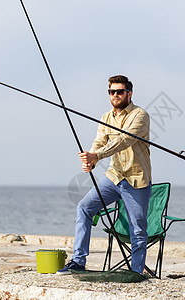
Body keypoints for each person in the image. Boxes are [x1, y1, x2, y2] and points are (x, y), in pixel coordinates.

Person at [57, 75, 152, 275]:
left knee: (138, 229)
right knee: (84, 207)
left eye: (119, 91)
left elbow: (125, 140)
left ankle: (136, 271)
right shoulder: (106, 117)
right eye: (111, 92)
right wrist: (91, 159)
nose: (115, 95)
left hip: (136, 180)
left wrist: (97, 155)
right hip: (113, 177)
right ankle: (78, 260)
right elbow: (99, 142)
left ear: (129, 93)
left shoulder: (140, 115)